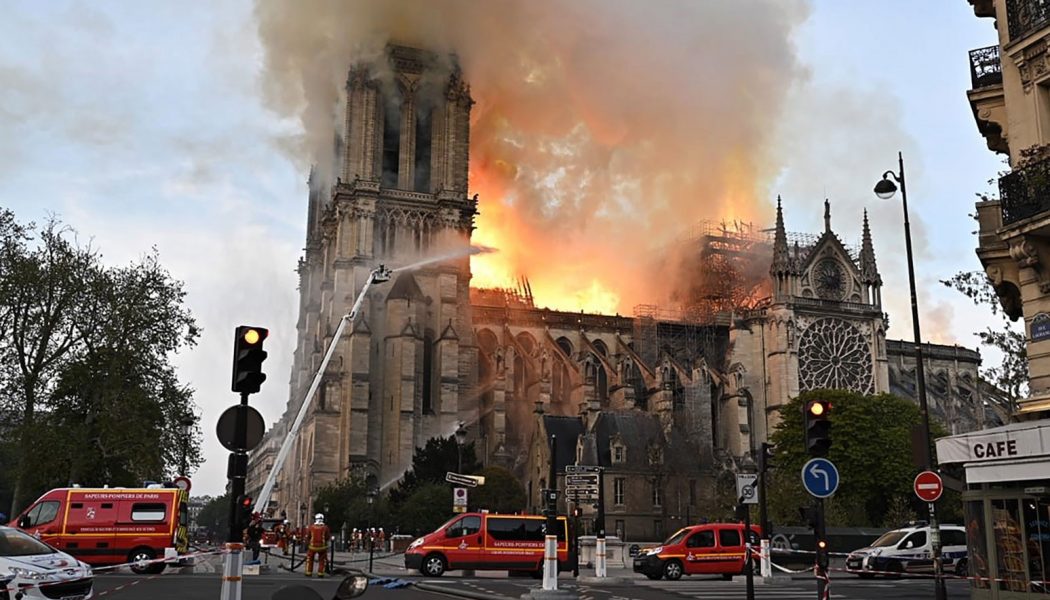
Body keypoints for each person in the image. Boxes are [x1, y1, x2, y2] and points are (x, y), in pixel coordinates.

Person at [305, 513, 331, 577]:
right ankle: (320, 573)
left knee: (310, 559)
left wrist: (307, 544)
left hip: (312, 546)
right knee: (322, 560)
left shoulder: (311, 527)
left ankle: (309, 572)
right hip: (322, 547)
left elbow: (308, 536)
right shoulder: (325, 527)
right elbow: (327, 537)